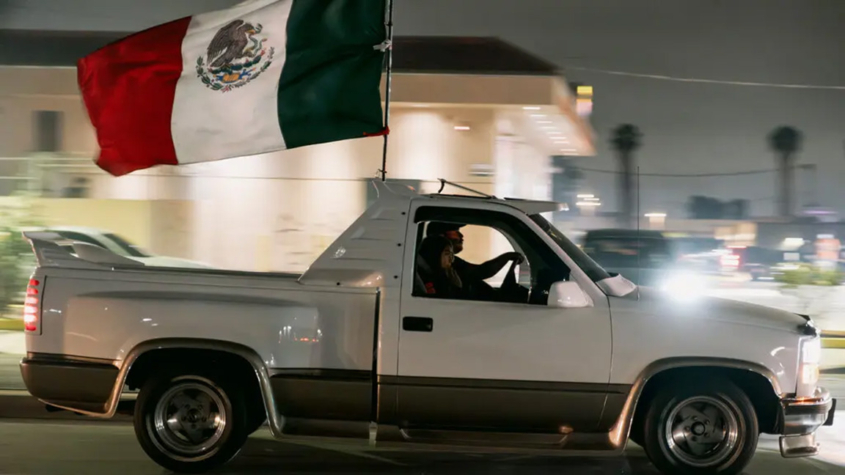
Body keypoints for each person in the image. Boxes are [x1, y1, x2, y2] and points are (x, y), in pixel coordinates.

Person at [425, 222, 524, 295]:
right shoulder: (438, 265)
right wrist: (508, 257)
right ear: (440, 236)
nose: (461, 235)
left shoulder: (451, 264)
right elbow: (480, 272)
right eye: (455, 231)